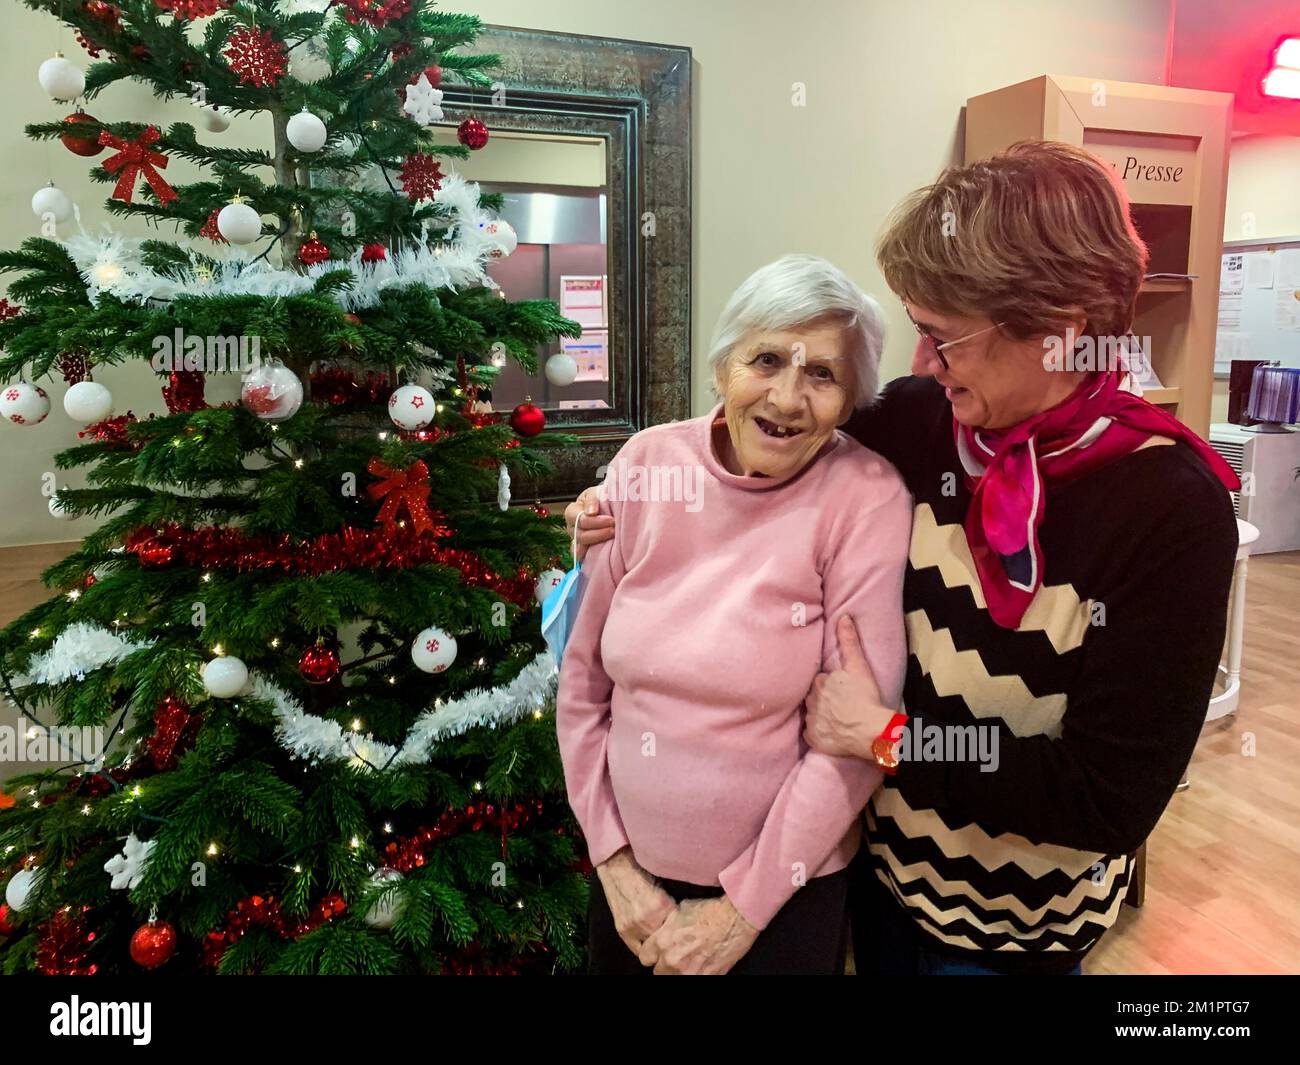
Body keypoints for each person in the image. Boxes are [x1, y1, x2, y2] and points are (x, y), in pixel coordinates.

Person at [567, 141, 1240, 975]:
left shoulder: (1172, 509)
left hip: (1009, 936)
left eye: (944, 338)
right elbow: (764, 436)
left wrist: (895, 739)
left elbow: (1107, 793)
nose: (919, 363)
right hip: (877, 888)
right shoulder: (923, 421)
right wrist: (615, 503)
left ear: (1056, 333)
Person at [556, 254, 911, 975]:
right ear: (723, 366)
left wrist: (741, 911)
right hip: (629, 891)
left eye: (822, 374)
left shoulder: (864, 496)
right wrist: (615, 866)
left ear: (850, 400)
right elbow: (582, 687)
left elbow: (852, 741)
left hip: (784, 901)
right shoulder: (647, 464)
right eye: (768, 359)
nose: (786, 397)